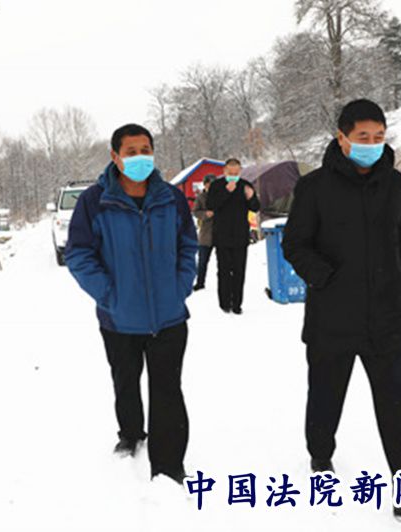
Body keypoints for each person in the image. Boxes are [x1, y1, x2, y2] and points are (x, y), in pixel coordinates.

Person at [281, 100, 401, 529]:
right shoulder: (314, 187)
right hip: (332, 318)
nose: (372, 144)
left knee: (398, 412)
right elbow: (294, 244)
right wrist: (326, 278)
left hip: (386, 318)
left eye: (379, 137)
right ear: (342, 138)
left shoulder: (393, 183)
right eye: (363, 137)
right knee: (325, 397)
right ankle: (321, 454)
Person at [65, 123, 198, 485]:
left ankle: (169, 467)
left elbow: (188, 244)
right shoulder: (95, 201)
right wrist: (109, 295)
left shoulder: (170, 198)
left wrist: (179, 286)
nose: (140, 157)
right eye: (131, 152)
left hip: (168, 316)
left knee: (167, 389)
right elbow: (78, 254)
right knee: (126, 381)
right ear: (115, 156)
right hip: (119, 319)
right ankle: (131, 432)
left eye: (145, 150)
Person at [206, 158, 260, 314]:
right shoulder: (216, 185)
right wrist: (226, 191)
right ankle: (224, 303)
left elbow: (255, 208)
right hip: (222, 236)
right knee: (223, 271)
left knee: (239, 271)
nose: (233, 176)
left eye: (236, 173)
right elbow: (211, 205)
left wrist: (251, 197)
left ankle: (237, 304)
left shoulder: (245, 185)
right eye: (230, 173)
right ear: (224, 171)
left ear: (240, 171)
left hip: (240, 236)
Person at [192, 174, 216, 291]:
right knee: (202, 261)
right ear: (205, 185)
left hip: (221, 233)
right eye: (209, 184)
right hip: (206, 234)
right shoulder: (201, 197)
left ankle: (224, 283)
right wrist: (205, 214)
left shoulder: (221, 196)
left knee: (224, 262)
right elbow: (195, 211)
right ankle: (200, 282)